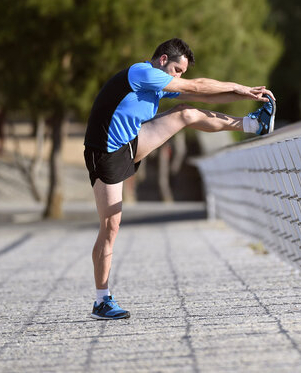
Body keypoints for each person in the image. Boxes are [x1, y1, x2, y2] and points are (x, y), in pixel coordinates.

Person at [83, 38, 276, 319]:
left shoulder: (158, 82)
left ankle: (254, 124)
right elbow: (196, 86)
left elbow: (204, 95)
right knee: (111, 226)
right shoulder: (142, 73)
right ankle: (102, 301)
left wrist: (246, 97)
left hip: (130, 143)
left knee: (185, 113)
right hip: (105, 152)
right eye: (177, 70)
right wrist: (242, 88)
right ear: (162, 60)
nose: (179, 77)